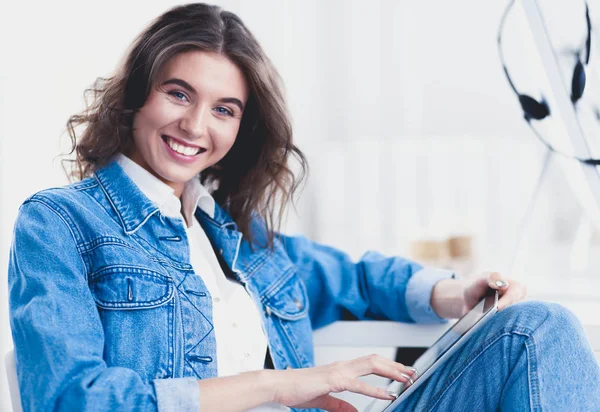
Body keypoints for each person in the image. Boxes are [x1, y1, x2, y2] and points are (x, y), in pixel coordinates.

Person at [7, 3, 600, 412]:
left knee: (536, 329)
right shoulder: (62, 222)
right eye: (178, 93)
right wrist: (281, 385)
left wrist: (453, 293)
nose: (194, 125)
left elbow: (355, 278)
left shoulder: (235, 238)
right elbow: (69, 398)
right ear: (139, 94)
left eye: (224, 109)